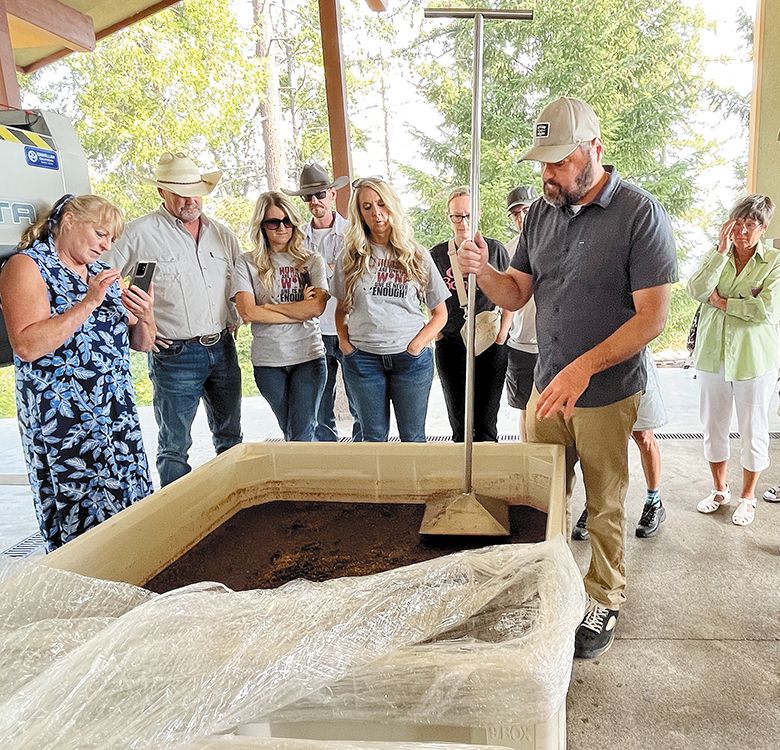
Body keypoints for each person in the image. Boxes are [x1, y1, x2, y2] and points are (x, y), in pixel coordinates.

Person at [457, 97, 677, 659]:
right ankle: (549, 581)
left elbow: (653, 317)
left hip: (604, 392)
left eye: (558, 162)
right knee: (544, 496)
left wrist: (584, 367)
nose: (547, 174)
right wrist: (485, 271)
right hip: (548, 385)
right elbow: (518, 291)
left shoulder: (638, 214)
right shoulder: (539, 216)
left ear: (594, 149)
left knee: (603, 503)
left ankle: (604, 596)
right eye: (543, 163)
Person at [0, 194, 155, 551]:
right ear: (68, 220)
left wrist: (145, 315)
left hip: (115, 412)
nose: (106, 244)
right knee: (82, 515)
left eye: (112, 239)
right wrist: (88, 303)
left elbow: (142, 343)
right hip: (65, 418)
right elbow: (27, 345)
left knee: (130, 508)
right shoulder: (27, 266)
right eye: (100, 233)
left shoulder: (104, 275)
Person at [104, 152, 243, 487]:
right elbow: (102, 282)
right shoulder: (138, 234)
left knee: (231, 437)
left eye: (194, 189)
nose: (188, 198)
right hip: (175, 355)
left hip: (223, 349)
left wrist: (236, 314)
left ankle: (236, 504)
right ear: (161, 193)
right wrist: (139, 326)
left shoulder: (222, 235)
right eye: (178, 191)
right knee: (175, 446)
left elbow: (239, 282)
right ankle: (178, 523)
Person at [686, 194, 780, 527]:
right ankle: (719, 490)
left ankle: (748, 498)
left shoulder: (774, 262)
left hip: (754, 360)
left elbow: (765, 310)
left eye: (750, 225)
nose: (742, 231)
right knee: (714, 426)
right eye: (737, 224)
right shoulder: (718, 256)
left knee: (753, 429)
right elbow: (696, 289)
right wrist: (720, 252)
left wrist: (723, 302)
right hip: (713, 355)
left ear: (763, 228)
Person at [332, 177, 449, 442]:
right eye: (367, 207)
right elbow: (340, 308)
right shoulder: (349, 257)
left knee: (413, 437)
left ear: (392, 205)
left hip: (410, 360)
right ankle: (378, 486)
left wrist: (416, 345)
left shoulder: (416, 255)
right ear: (359, 213)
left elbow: (440, 313)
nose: (376, 212)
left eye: (381, 204)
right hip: (364, 360)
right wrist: (345, 343)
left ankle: (413, 486)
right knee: (373, 437)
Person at [231, 192, 329, 441]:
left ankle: (303, 479)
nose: (281, 227)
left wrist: (266, 310)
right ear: (262, 226)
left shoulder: (311, 260)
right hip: (268, 361)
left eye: (287, 221)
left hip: (308, 355)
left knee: (301, 432)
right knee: (291, 430)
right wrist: (297, 309)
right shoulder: (247, 262)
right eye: (273, 222)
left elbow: (316, 309)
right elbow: (247, 311)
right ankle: (308, 476)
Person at [283, 163, 362, 442]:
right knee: (319, 407)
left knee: (359, 403)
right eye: (308, 197)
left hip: (349, 328)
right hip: (312, 332)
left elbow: (355, 277)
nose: (314, 201)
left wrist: (321, 270)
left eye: (319, 194)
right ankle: (330, 462)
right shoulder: (294, 238)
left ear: (332, 194)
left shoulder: (354, 233)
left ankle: (361, 457)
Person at [430, 187, 511, 442]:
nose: (462, 222)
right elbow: (430, 296)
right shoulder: (438, 255)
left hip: (489, 341)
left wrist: (502, 334)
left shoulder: (495, 250)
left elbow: (511, 293)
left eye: (468, 215)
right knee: (459, 420)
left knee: (487, 420)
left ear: (478, 215)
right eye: (456, 216)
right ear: (448, 217)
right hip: (453, 342)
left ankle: (489, 474)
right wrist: (440, 336)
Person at [573, 348, 668, 540]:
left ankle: (654, 501)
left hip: (634, 365)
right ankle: (595, 506)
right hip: (599, 369)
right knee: (599, 442)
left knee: (643, 436)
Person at [504, 186, 539, 441]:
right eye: (515, 213)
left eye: (525, 210)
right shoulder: (508, 250)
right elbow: (503, 299)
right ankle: (526, 459)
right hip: (520, 343)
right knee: (525, 409)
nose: (520, 218)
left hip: (555, 344)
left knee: (556, 411)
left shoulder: (557, 241)